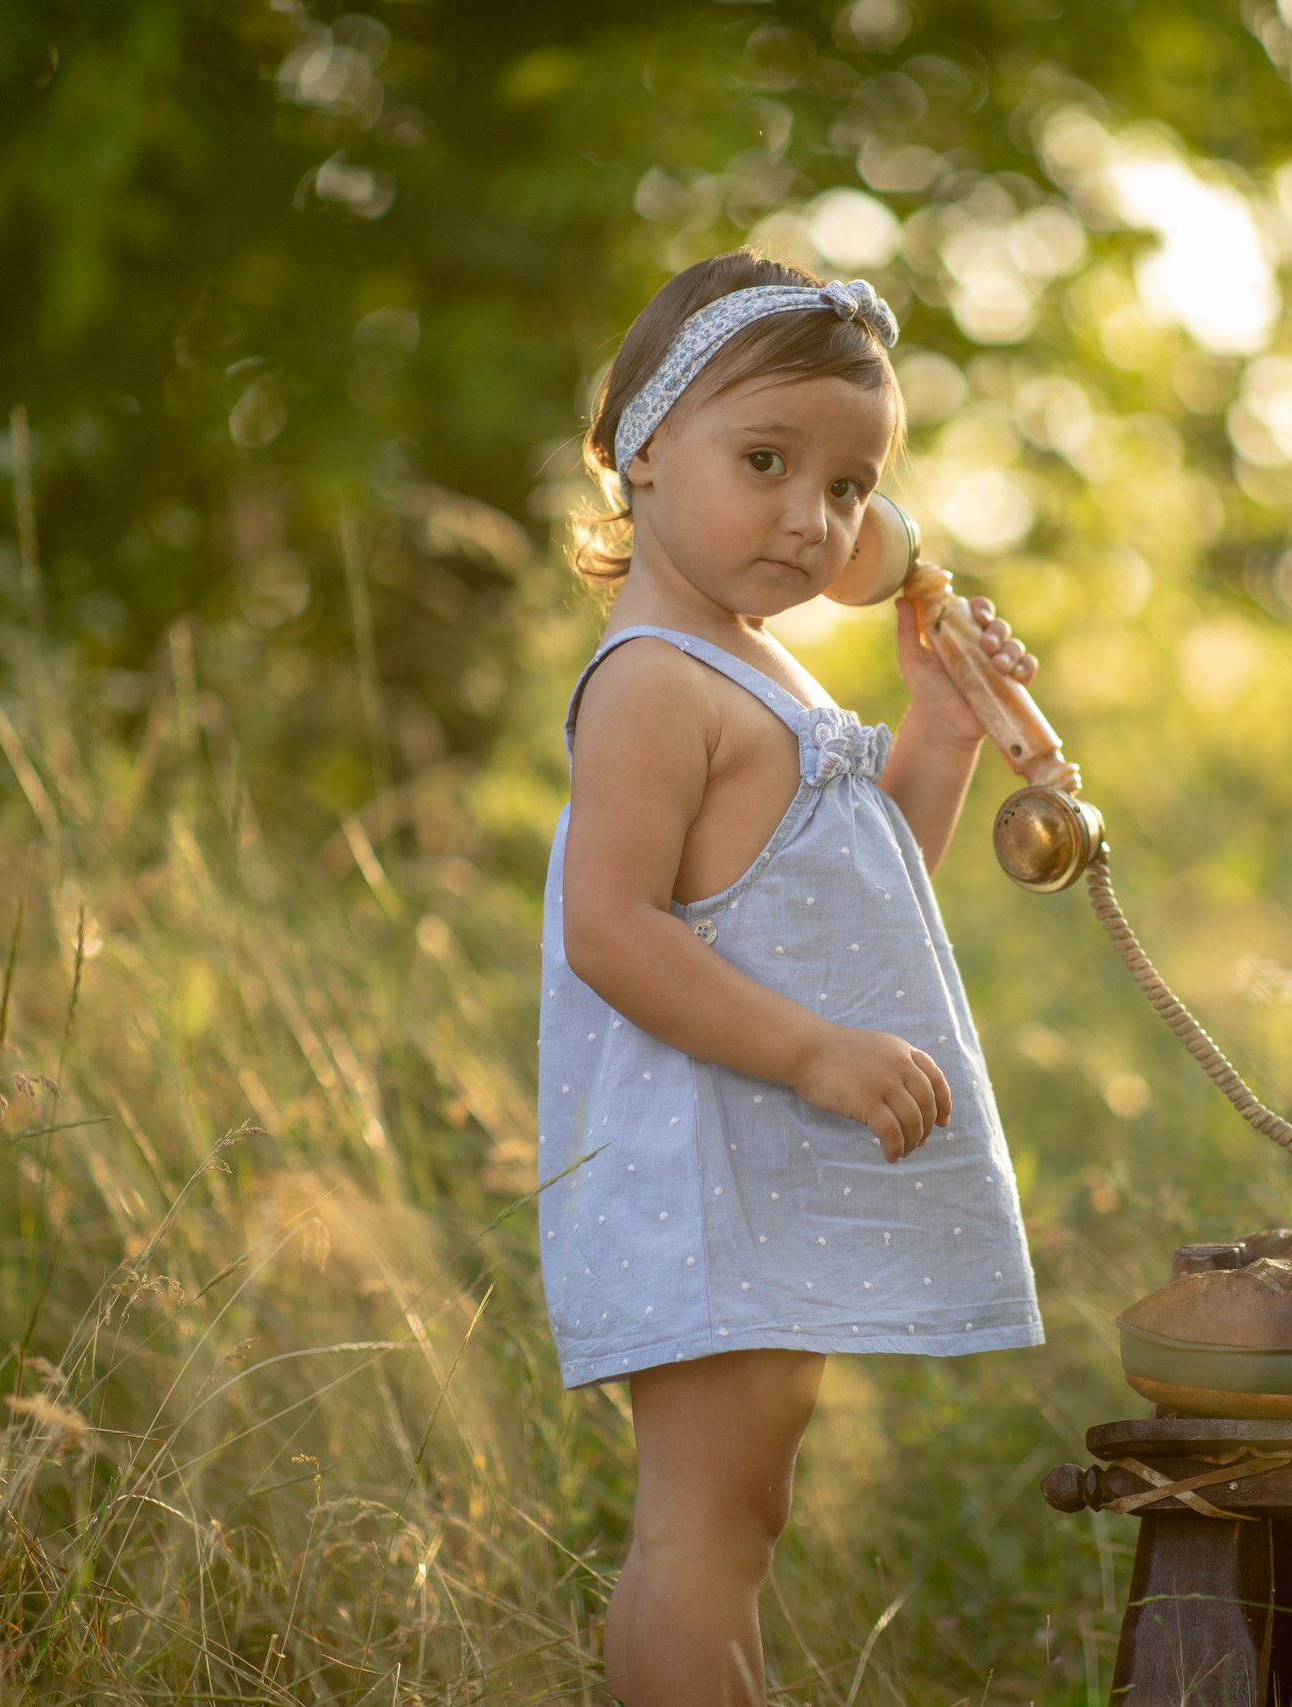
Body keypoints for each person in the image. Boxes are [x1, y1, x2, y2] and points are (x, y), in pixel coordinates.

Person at [538, 251, 1044, 1707]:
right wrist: (821, 1056)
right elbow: (612, 932)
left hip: (761, 1168)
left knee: (740, 1515)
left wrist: (940, 730)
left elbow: (863, 900)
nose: (811, 517)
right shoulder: (651, 680)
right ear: (641, 454)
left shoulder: (766, 666)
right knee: (702, 1522)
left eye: (847, 485)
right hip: (702, 1167)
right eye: (765, 461)